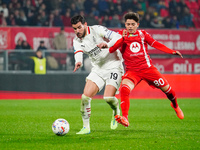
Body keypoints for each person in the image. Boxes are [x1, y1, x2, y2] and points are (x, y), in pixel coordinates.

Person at [108, 12, 184, 127]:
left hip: (148, 69)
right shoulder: (121, 35)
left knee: (168, 90)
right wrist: (120, 39)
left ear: (137, 24)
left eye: (133, 24)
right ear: (125, 24)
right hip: (132, 71)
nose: (130, 27)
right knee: (124, 89)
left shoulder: (143, 34)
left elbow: (156, 44)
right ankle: (125, 118)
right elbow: (112, 49)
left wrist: (171, 51)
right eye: (128, 24)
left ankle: (175, 105)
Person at [71, 15, 124, 134]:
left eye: (79, 27)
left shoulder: (97, 29)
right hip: (98, 69)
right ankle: (86, 127)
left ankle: (116, 111)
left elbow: (118, 37)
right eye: (74, 29)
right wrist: (78, 61)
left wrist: (108, 45)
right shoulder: (76, 40)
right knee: (85, 97)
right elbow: (78, 52)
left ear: (85, 24)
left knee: (108, 98)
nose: (77, 31)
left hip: (114, 65)